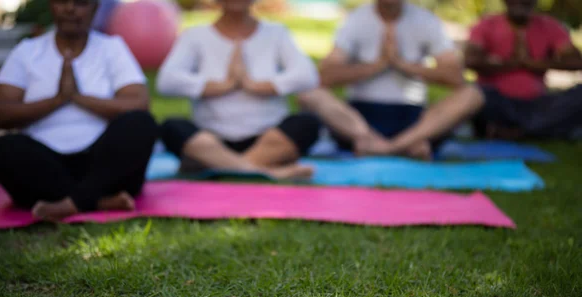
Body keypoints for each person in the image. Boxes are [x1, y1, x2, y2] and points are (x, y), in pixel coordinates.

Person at [0, 0, 158, 222]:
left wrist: (76, 96)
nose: (70, 9)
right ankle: (97, 201)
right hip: (46, 164)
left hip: (103, 163)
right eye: (62, 1)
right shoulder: (27, 51)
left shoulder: (112, 48)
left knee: (140, 124)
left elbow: (139, 103)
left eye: (80, 3)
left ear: (95, 8)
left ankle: (70, 202)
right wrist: (58, 99)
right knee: (0, 150)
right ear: (51, 6)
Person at [362, 0, 582, 156]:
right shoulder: (487, 25)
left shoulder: (550, 27)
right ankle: (401, 144)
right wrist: (512, 63)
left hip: (538, 105)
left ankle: (518, 132)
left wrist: (536, 64)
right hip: (496, 103)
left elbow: (576, 61)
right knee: (471, 94)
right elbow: (471, 61)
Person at [156, 0, 320, 179]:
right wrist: (223, 85)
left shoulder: (277, 33)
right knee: (173, 127)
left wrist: (254, 85)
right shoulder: (194, 35)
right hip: (212, 139)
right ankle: (265, 171)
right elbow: (166, 81)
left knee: (307, 122)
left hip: (267, 138)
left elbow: (307, 76)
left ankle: (222, 166)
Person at [298, 0, 464, 159]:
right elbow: (325, 76)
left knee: (471, 94)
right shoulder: (356, 20)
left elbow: (455, 77)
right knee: (309, 92)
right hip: (360, 119)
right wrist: (378, 65)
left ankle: (387, 147)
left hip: (414, 119)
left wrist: (402, 64)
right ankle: (396, 146)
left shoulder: (426, 20)